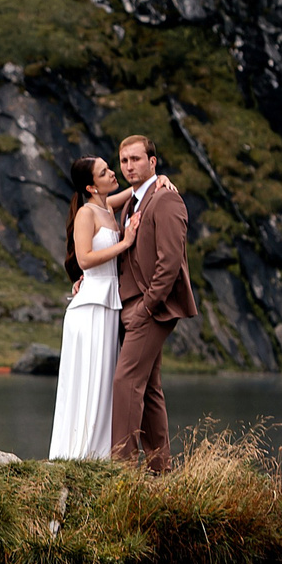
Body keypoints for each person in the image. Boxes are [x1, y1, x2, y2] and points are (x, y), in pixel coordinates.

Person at [107, 134, 197, 472]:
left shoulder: (167, 201)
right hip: (132, 305)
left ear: (152, 162)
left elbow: (170, 263)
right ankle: (161, 470)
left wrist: (147, 306)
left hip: (152, 308)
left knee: (125, 381)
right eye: (124, 160)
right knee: (151, 390)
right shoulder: (132, 201)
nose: (129, 166)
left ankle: (123, 469)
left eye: (136, 159)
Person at [48, 154, 133, 459]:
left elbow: (137, 190)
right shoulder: (87, 213)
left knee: (103, 379)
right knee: (90, 380)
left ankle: (98, 453)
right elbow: (84, 259)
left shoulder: (106, 206)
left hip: (107, 304)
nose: (113, 173)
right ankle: (81, 453)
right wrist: (125, 244)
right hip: (92, 306)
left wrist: (158, 179)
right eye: (104, 172)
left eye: (109, 168)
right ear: (91, 185)